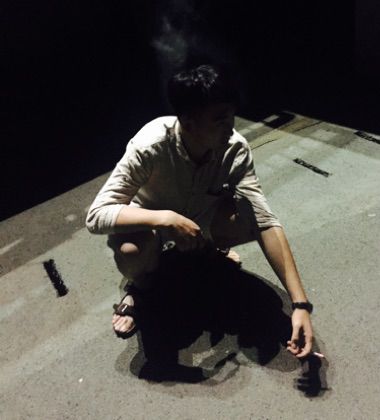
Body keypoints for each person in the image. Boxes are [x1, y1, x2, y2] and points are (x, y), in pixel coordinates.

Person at [85, 64, 314, 358]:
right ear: (189, 123)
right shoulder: (150, 146)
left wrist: (300, 304)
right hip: (153, 226)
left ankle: (206, 250)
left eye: (231, 116)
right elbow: (96, 215)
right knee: (131, 251)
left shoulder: (235, 148)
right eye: (219, 120)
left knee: (248, 217)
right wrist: (164, 218)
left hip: (203, 222)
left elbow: (265, 220)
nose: (230, 127)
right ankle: (140, 289)